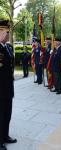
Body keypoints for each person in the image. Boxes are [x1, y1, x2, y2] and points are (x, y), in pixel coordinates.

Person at [0, 20, 17, 150]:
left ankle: (5, 136)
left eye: (8, 32)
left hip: (8, 88)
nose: (7, 35)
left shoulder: (8, 47)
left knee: (7, 113)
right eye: (6, 32)